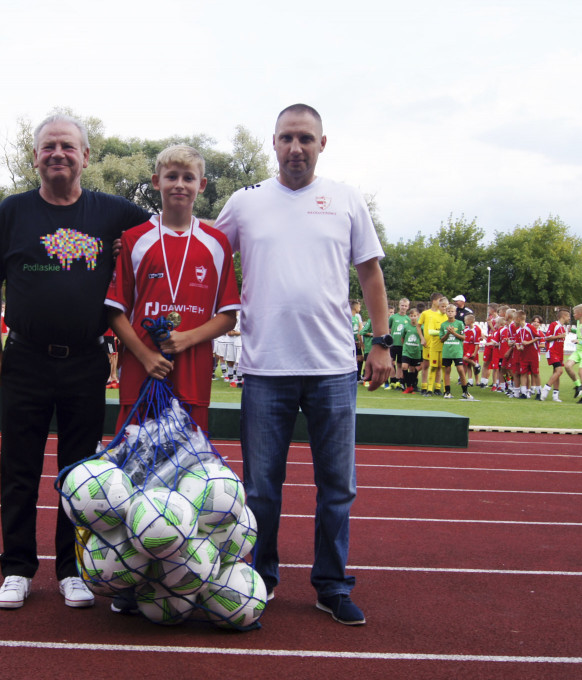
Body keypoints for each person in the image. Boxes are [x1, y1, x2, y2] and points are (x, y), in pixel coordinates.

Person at [0, 113, 151, 610]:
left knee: (81, 473)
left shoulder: (117, 214)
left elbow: (163, 245)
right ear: (35, 157)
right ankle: (17, 569)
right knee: (19, 469)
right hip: (24, 359)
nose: (58, 155)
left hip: (85, 363)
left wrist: (130, 248)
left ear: (86, 156)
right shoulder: (12, 213)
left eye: (68, 147)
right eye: (48, 147)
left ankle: (72, 568)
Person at [214, 103, 390, 626]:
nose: (296, 147)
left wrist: (380, 343)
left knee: (338, 486)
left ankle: (331, 584)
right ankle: (260, 577)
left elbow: (372, 277)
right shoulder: (245, 203)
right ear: (273, 143)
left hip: (333, 366)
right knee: (262, 488)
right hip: (266, 367)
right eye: (287, 138)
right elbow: (204, 254)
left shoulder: (346, 198)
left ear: (322, 143)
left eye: (306, 139)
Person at [105, 144, 240, 433]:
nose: (180, 184)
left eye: (188, 178)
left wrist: (187, 338)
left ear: (201, 185)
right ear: (157, 182)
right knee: (135, 466)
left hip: (191, 377)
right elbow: (115, 312)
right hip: (142, 373)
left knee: (188, 470)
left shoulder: (217, 244)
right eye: (172, 176)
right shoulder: (133, 239)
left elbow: (228, 316)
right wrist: (145, 355)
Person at [439, 304, 473, 400]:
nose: (450, 313)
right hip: (447, 352)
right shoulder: (443, 324)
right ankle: (447, 392)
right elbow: (441, 339)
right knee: (447, 371)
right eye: (448, 311)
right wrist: (448, 333)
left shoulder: (459, 323)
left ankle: (465, 391)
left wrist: (453, 333)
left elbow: (463, 337)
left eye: (452, 311)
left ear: (455, 313)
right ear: (446, 312)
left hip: (457, 351)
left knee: (460, 370)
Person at [417, 293, 448, 396]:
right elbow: (418, 326)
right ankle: (424, 387)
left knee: (439, 366)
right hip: (427, 343)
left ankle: (437, 387)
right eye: (439, 300)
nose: (441, 302)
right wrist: (422, 338)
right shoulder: (426, 313)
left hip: (439, 344)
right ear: (434, 301)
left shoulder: (444, 314)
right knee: (425, 365)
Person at [539, 309, 569, 402]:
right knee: (559, 371)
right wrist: (559, 336)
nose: (569, 318)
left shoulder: (563, 328)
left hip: (559, 353)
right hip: (552, 351)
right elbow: (547, 337)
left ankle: (555, 395)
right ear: (563, 316)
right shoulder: (554, 325)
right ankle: (546, 389)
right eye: (568, 316)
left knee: (556, 373)